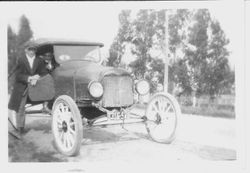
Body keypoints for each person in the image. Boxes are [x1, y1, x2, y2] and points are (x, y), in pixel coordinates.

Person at [8, 42, 48, 134]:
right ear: (26, 50)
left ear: (35, 50)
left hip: (37, 86)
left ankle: (47, 107)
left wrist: (37, 77)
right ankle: (20, 128)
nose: (31, 51)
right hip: (23, 86)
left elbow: (44, 73)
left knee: (48, 96)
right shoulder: (21, 60)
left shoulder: (39, 60)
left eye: (33, 49)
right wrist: (29, 78)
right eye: (29, 49)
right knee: (21, 107)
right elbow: (18, 75)